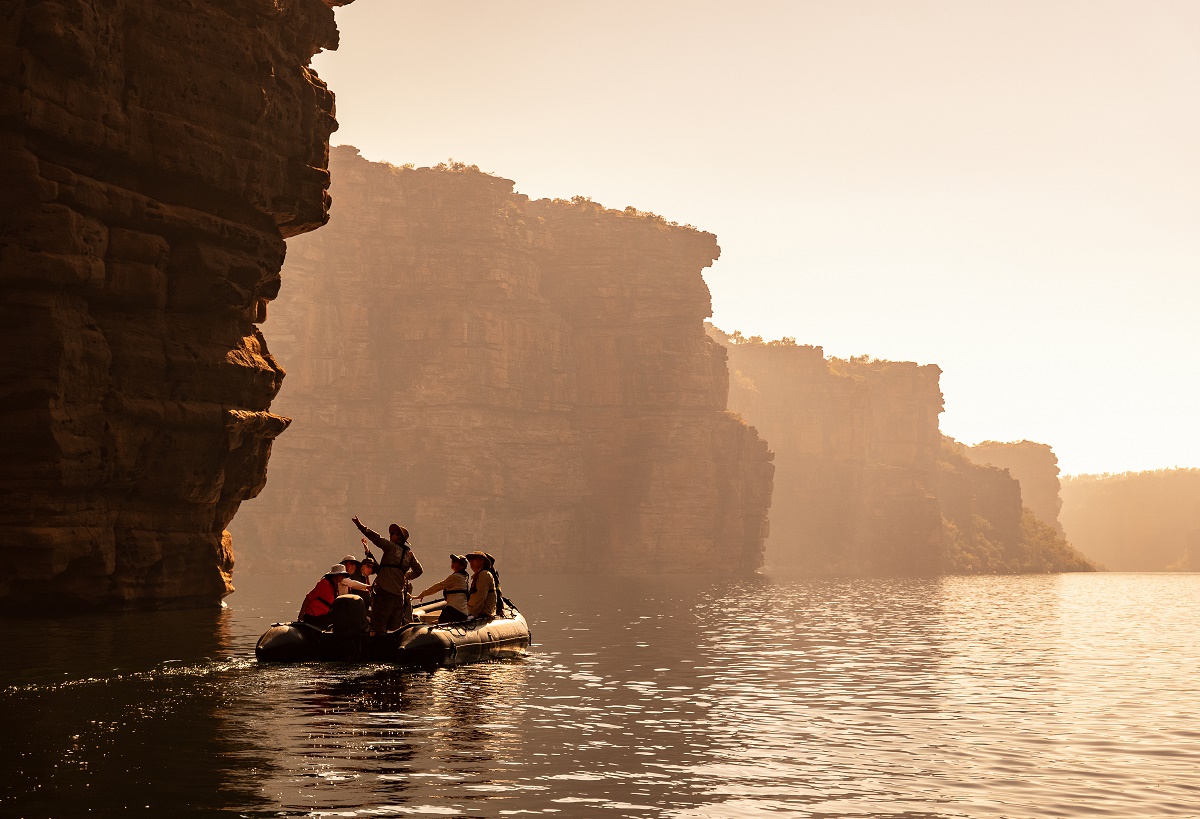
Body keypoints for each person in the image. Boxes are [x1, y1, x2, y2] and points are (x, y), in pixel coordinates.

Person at [353, 515, 423, 633]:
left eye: (393, 534)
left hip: (384, 592)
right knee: (394, 628)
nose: (391, 536)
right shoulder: (409, 555)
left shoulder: (390, 547)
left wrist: (360, 526)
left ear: (398, 537)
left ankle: (376, 649)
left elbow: (376, 538)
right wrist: (405, 576)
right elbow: (419, 571)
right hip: (398, 596)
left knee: (378, 625)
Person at [416, 554, 470, 623]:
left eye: (455, 562)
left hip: (454, 611)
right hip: (462, 613)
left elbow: (438, 586)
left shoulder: (456, 577)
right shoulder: (464, 578)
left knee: (433, 624)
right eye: (452, 561)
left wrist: (423, 594)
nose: (452, 563)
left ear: (462, 566)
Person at [298, 564, 351, 629]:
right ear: (336, 575)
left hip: (323, 614)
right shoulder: (324, 584)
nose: (343, 577)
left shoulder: (334, 585)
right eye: (342, 575)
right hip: (314, 615)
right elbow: (308, 598)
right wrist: (301, 615)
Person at [465, 550, 499, 619]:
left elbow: (480, 596)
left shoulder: (484, 575)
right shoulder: (478, 575)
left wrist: (471, 613)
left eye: (473, 559)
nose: (471, 562)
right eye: (470, 560)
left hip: (482, 612)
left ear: (482, 561)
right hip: (476, 611)